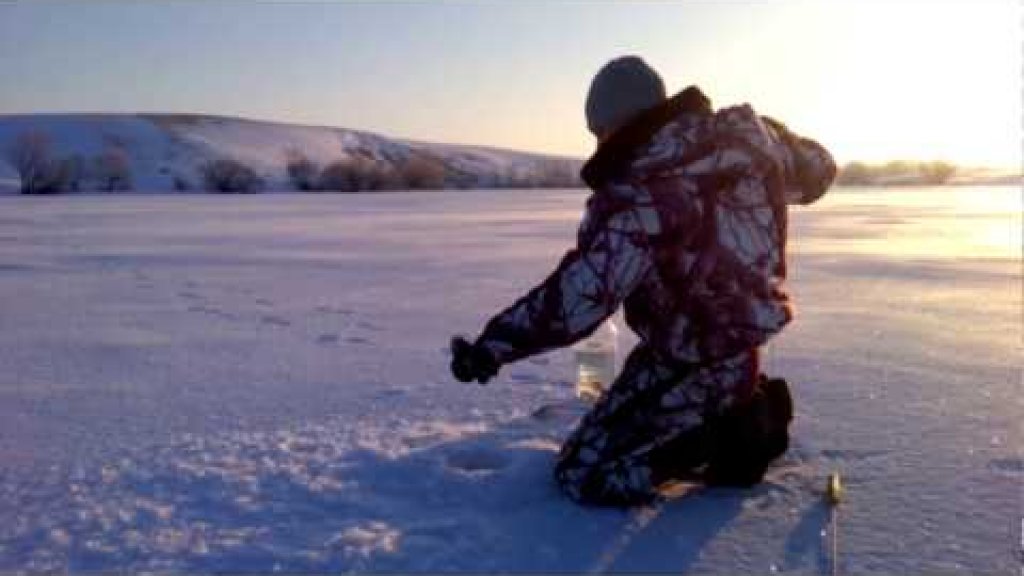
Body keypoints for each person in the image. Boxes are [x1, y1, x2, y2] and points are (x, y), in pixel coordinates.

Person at [451, 55, 836, 506]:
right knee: (596, 438)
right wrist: (775, 140)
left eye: (600, 131)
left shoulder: (641, 194)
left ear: (621, 122)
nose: (600, 143)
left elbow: (581, 295)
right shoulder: (745, 144)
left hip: (702, 359)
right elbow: (820, 170)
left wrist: (494, 346)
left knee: (587, 474)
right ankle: (741, 406)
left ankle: (741, 429)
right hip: (686, 349)